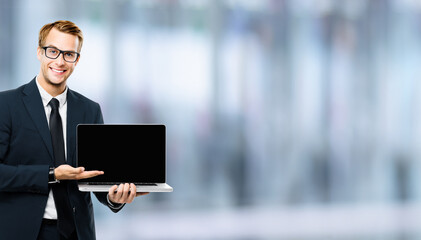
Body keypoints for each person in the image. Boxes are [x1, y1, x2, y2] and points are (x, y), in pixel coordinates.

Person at [0, 20, 148, 240]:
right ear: (39, 53)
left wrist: (114, 198)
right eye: (53, 51)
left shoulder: (90, 110)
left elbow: (97, 177)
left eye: (69, 54)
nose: (60, 61)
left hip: (77, 233)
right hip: (25, 232)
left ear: (77, 60)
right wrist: (51, 175)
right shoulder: (7, 105)